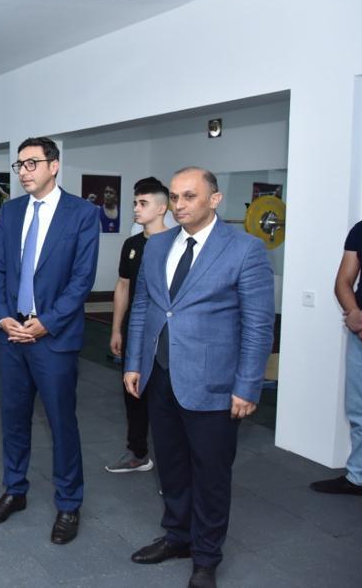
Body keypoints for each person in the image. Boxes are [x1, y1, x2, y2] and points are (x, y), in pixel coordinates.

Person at [124, 167, 274, 588]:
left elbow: (258, 325)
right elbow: (143, 307)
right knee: (171, 464)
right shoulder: (157, 245)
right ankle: (178, 536)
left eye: (189, 196)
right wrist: (134, 362)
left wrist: (248, 385)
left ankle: (206, 557)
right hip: (161, 376)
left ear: (215, 199)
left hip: (215, 384)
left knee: (210, 473)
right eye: (174, 197)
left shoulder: (245, 249)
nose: (179, 205)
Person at [0, 137, 99, 547]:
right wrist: (2, 317)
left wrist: (46, 323)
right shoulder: (11, 211)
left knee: (61, 422)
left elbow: (82, 278)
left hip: (54, 338)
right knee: (13, 418)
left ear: (54, 165)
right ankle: (15, 489)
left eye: (32, 163)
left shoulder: (82, 213)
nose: (24, 171)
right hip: (12, 335)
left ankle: (69, 503)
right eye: (20, 165)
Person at [105, 177, 169, 473]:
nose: (136, 208)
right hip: (135, 328)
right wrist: (116, 329)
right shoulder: (132, 245)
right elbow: (123, 286)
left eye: (143, 203)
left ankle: (173, 467)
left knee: (165, 397)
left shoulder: (175, 243)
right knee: (132, 392)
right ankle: (138, 452)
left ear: (161, 208)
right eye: (135, 203)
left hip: (164, 334)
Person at [309, 215, 362, 496]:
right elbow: (343, 281)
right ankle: (360, 477)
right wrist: (356, 316)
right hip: (360, 333)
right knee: (360, 410)